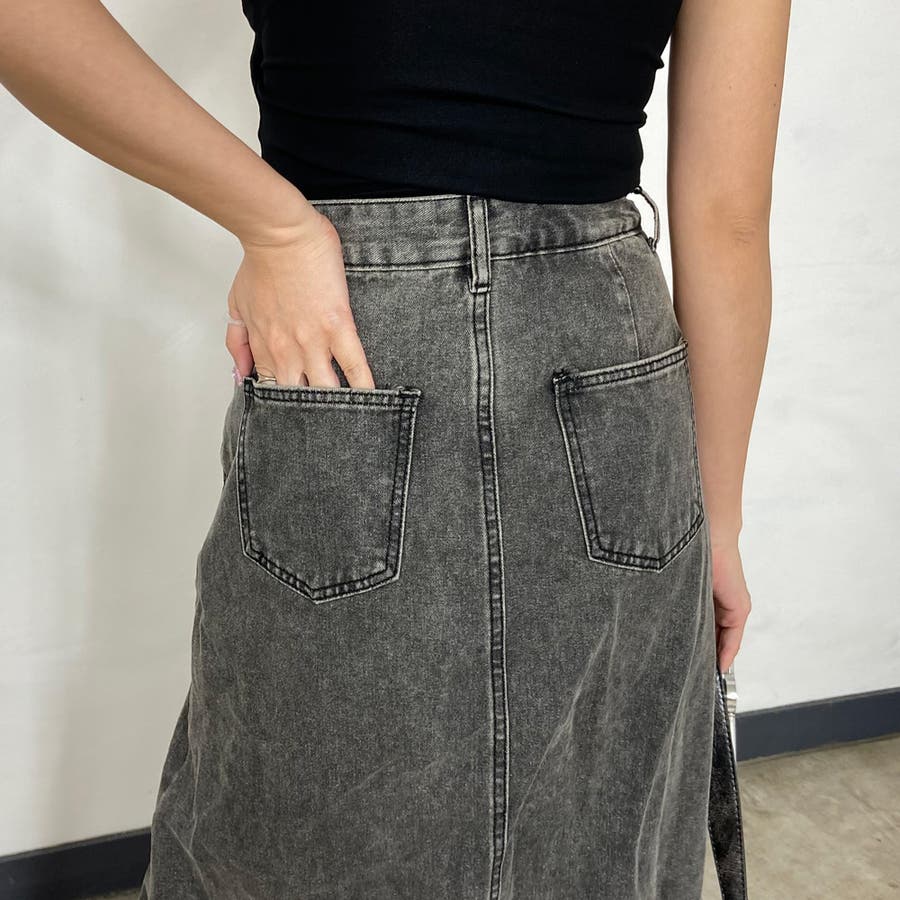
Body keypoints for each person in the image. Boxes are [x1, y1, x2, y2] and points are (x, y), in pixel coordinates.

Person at [0, 0, 790, 896]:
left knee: (295, 831)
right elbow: (726, 216)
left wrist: (275, 224)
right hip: (600, 349)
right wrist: (718, 517)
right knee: (598, 834)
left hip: (356, 332)